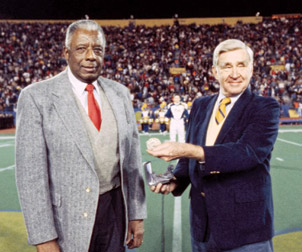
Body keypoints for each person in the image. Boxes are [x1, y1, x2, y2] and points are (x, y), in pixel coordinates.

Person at [15, 19, 146, 252]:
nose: (90, 56)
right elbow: (31, 177)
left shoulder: (120, 94)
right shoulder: (37, 97)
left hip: (115, 209)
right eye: (81, 48)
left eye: (97, 49)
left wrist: (135, 215)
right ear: (66, 52)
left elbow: (132, 163)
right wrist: (43, 237)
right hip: (67, 219)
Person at [147, 39, 280, 252]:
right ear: (214, 71)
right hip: (203, 227)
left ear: (251, 68)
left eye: (241, 65)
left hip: (246, 232)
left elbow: (247, 152)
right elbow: (188, 156)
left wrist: (187, 150)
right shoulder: (200, 105)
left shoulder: (265, 107)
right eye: (227, 66)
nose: (235, 73)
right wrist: (175, 181)